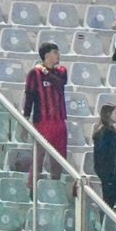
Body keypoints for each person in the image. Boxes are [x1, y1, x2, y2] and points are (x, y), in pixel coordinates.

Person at [22, 42, 70, 175]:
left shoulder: (61, 71)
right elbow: (29, 97)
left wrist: (45, 72)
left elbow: (60, 83)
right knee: (38, 158)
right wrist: (25, 119)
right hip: (42, 121)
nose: (58, 55)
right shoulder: (34, 74)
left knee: (59, 159)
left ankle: (55, 187)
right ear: (47, 55)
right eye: (55, 52)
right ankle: (33, 189)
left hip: (59, 121)